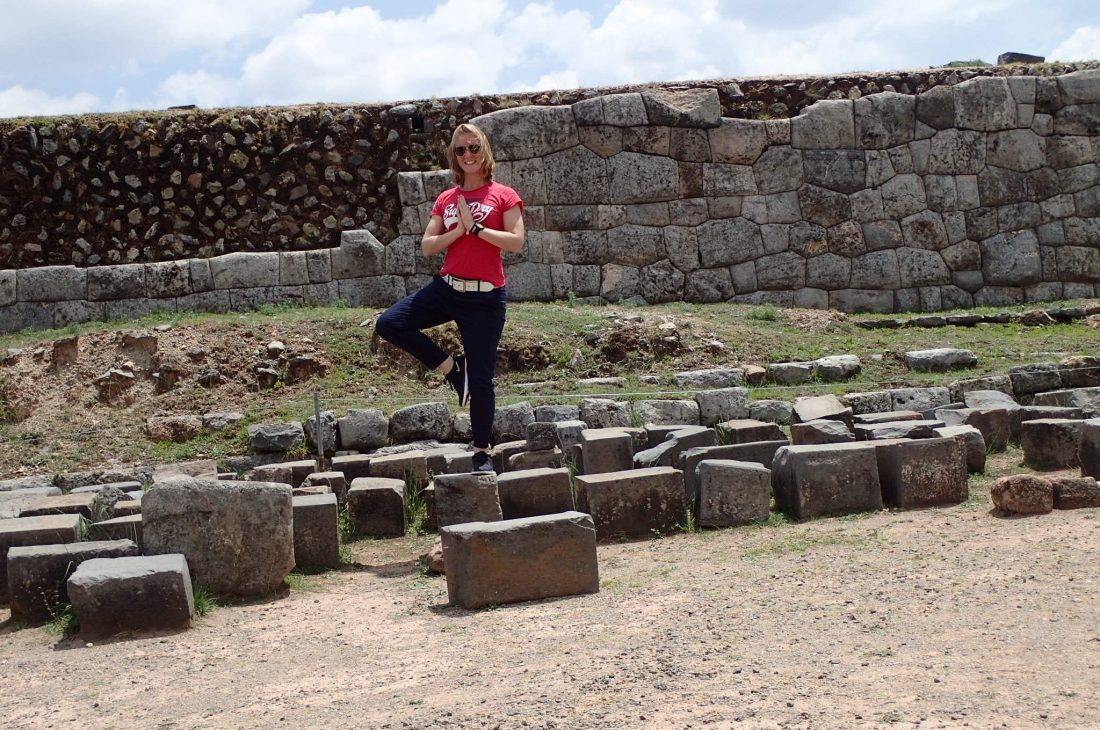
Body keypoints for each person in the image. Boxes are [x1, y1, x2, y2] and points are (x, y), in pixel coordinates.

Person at [374, 123, 525, 473]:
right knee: (390, 323)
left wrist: (477, 229)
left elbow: (516, 242)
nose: (468, 154)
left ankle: (482, 452)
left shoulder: (503, 194)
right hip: (447, 288)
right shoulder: (447, 199)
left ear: (484, 150)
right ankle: (453, 369)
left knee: (484, 378)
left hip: (486, 299)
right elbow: (428, 246)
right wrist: (458, 229)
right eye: (460, 150)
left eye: (473, 147)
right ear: (454, 157)